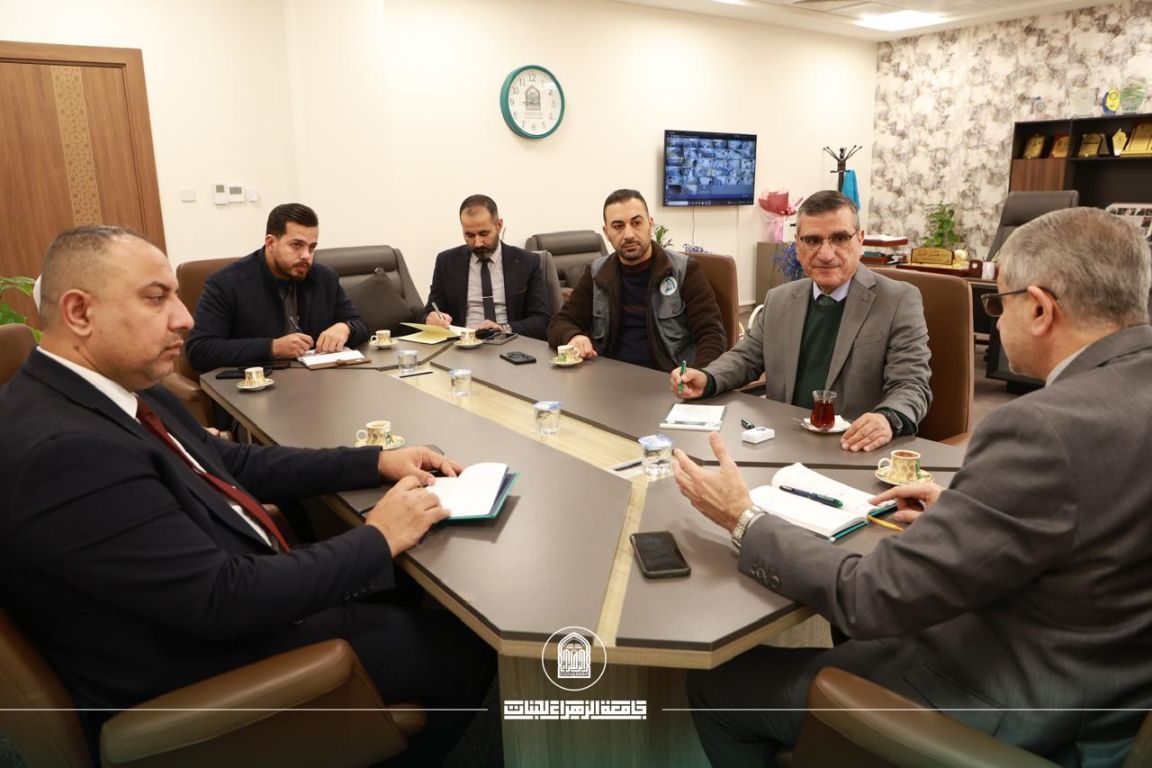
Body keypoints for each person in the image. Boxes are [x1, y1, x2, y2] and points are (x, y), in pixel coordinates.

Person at [673, 207, 1152, 767]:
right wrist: (972, 511)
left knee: (716, 687)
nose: (997, 322)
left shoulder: (1039, 428)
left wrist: (743, 519)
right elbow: (1095, 519)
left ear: (1041, 309)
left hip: (1013, 703)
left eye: (999, 304)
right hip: (1109, 687)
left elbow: (871, 597)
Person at [0, 226, 494, 764]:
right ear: (79, 312)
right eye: (156, 298)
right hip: (201, 667)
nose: (184, 318)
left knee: (402, 583)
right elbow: (223, 599)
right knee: (465, 644)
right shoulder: (65, 450)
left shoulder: (112, 389)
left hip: (221, 598)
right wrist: (379, 536)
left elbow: (234, 463)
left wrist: (374, 461)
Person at [671, 190, 932, 452]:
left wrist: (887, 418)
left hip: (854, 449)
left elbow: (911, 385)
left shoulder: (898, 300)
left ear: (860, 240)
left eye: (840, 238)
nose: (826, 254)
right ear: (797, 245)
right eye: (813, 240)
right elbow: (746, 358)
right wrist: (708, 377)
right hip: (783, 444)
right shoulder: (780, 299)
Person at [547, 188, 727, 371]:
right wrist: (574, 336)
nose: (629, 235)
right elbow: (560, 323)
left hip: (667, 378)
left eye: (636, 223)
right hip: (607, 378)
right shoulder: (596, 273)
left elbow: (712, 336)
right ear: (606, 232)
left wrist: (697, 376)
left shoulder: (684, 270)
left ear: (650, 224)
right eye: (618, 226)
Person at [186, 203, 368, 372]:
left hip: (319, 383)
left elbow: (360, 325)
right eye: (296, 245)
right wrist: (272, 348)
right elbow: (199, 351)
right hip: (257, 386)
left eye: (312, 247)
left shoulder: (324, 278)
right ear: (271, 243)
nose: (306, 256)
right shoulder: (226, 283)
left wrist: (346, 328)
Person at [423, 194, 550, 339]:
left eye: (483, 233)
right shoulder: (446, 262)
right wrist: (432, 318)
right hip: (462, 344)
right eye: (469, 235)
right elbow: (430, 311)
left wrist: (503, 329)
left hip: (509, 342)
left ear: (499, 225)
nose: (477, 243)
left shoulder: (527, 262)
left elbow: (542, 321)